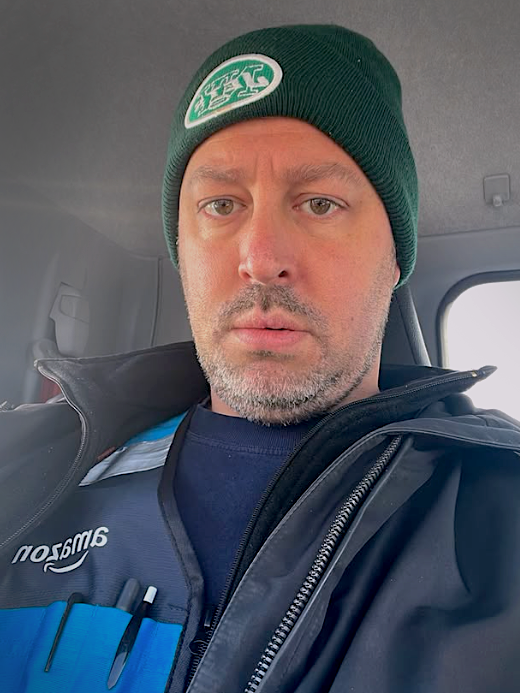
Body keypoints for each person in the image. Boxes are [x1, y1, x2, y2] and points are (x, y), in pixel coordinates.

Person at [1, 23, 520, 693]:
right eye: (221, 204)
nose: (260, 257)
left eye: (319, 203)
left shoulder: (497, 518)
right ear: (183, 249)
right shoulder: (33, 465)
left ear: (394, 256)